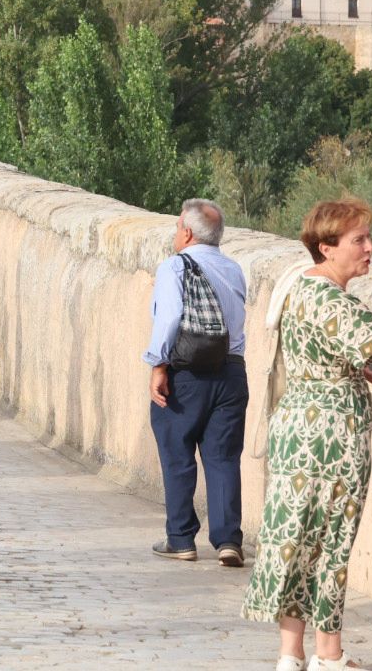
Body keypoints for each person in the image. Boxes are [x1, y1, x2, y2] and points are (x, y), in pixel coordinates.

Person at [242, 198, 372, 671]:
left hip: (297, 424)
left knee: (295, 540)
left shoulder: (299, 288)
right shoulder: (332, 299)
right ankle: (329, 655)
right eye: (358, 240)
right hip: (332, 435)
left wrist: (357, 366)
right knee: (331, 542)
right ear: (326, 247)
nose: (369, 248)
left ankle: (290, 654)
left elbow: (319, 350)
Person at [143, 199, 249, 567]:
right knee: (222, 458)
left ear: (186, 232)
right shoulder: (235, 270)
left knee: (177, 452)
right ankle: (228, 540)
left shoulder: (175, 266)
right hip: (232, 372)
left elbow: (170, 318)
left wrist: (158, 364)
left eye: (177, 228)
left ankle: (181, 537)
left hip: (186, 374)